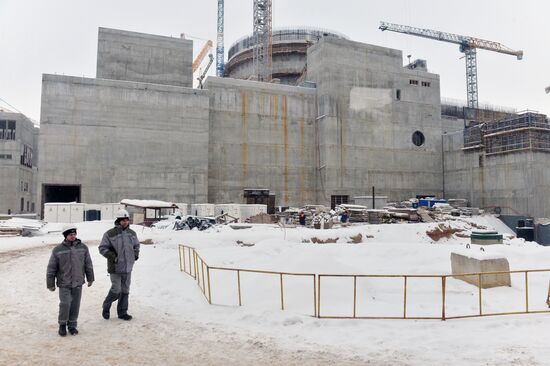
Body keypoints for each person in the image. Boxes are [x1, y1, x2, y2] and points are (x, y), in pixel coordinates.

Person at [46, 224, 94, 337]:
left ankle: (72, 325)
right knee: (65, 304)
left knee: (75, 305)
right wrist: (50, 283)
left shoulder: (83, 247)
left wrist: (90, 277)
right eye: (70, 234)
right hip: (64, 283)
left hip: (78, 282)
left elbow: (88, 264)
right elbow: (51, 267)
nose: (73, 236)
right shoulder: (58, 250)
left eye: (74, 234)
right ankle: (62, 324)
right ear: (65, 236)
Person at [99, 209, 140, 321]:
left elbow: (136, 245)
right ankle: (106, 305)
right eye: (122, 220)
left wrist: (135, 255)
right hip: (115, 267)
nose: (125, 222)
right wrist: (114, 257)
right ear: (118, 221)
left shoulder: (132, 233)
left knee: (125, 290)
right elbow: (102, 248)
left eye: (126, 220)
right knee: (116, 289)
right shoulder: (109, 233)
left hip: (128, 267)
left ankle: (122, 312)